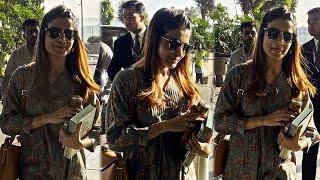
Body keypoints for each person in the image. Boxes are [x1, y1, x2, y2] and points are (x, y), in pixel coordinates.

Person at [105, 8, 212, 179]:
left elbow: (206, 137)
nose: (180, 53)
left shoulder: (184, 80)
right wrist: (166, 126)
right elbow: (115, 139)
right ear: (154, 38)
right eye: (174, 44)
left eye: (185, 47)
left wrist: (203, 147)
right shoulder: (128, 79)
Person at [214, 7, 320, 179]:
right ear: (262, 34)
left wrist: (299, 143)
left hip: (280, 173)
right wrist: (262, 120)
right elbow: (219, 122)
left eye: (287, 36)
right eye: (273, 33)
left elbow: (312, 131)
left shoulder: (296, 83)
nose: (280, 41)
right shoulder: (238, 75)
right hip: (240, 173)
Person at [0, 5, 100, 179]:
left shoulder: (80, 81)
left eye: (68, 34)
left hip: (73, 173)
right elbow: (6, 123)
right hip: (33, 172)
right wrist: (47, 118)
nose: (62, 39)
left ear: (74, 40)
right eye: (54, 32)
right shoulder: (23, 76)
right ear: (43, 35)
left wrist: (80, 142)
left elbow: (100, 131)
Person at [301, 7, 320, 180]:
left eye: (314, 21)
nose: (310, 26)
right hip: (309, 110)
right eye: (308, 23)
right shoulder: (303, 49)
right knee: (308, 151)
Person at [107, 0, 147, 82]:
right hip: (131, 92)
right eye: (124, 17)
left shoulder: (156, 36)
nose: (126, 21)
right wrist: (124, 86)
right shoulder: (120, 43)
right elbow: (112, 70)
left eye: (130, 17)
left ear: (142, 17)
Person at [2, 19, 40, 101]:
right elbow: (8, 77)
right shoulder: (16, 55)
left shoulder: (49, 52)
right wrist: (5, 96)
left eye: (36, 31)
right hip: (22, 100)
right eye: (29, 32)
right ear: (24, 35)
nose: (33, 34)